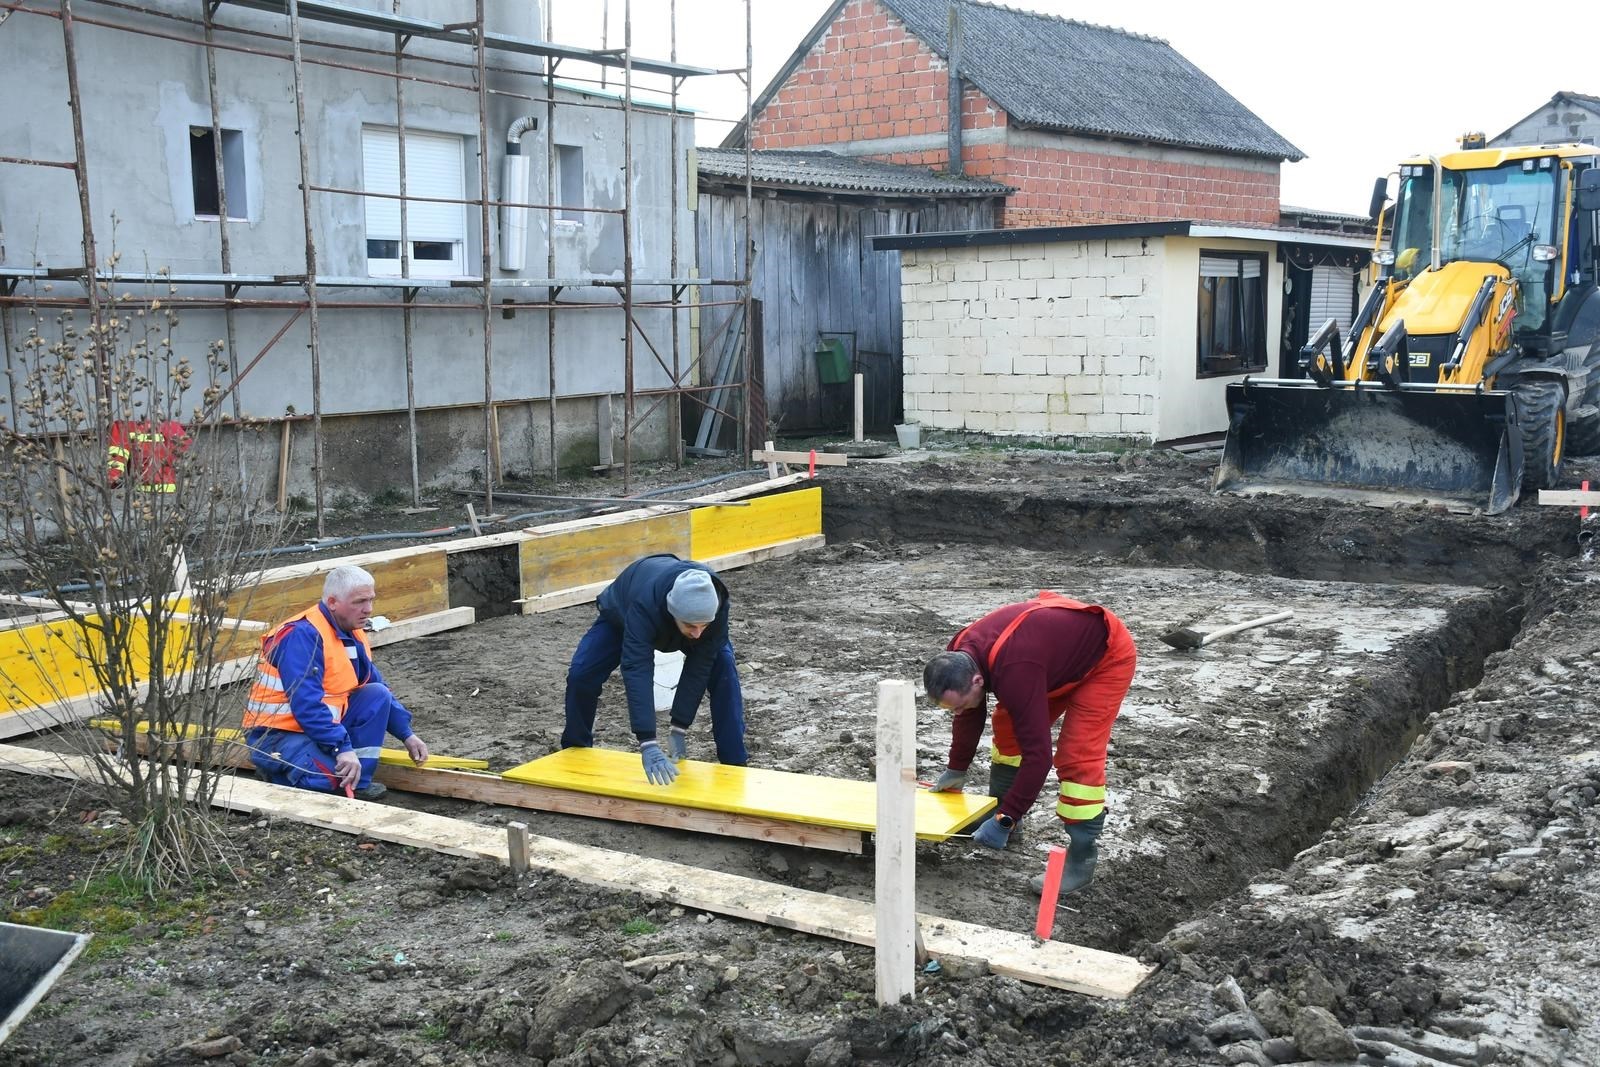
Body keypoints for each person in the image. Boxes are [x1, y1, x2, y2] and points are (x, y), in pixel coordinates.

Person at [923, 591, 1136, 895]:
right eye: (948, 708)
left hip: (1103, 659)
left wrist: (1006, 819)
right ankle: (1002, 815)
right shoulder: (957, 655)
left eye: (957, 704)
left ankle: (1080, 860)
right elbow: (969, 711)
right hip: (1050, 657)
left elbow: (1039, 758)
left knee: (1077, 756)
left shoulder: (1016, 671)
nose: (955, 713)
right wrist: (956, 768)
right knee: (1008, 727)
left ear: (977, 681)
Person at [242, 565, 429, 800]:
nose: (368, 610)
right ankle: (276, 773)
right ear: (332, 602)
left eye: (371, 600)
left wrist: (406, 734)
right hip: (276, 735)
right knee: (327, 781)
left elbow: (375, 686)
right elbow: (306, 704)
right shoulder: (301, 636)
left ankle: (358, 782)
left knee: (377, 693)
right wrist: (342, 748)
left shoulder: (352, 631)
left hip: (314, 728)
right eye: (359, 602)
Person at [562, 553, 747, 786]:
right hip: (623, 612)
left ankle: (735, 761)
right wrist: (647, 742)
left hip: (681, 616)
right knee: (582, 673)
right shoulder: (644, 605)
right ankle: (574, 752)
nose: (699, 633)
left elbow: (699, 667)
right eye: (691, 625)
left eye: (704, 626)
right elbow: (637, 668)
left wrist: (679, 726)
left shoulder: (715, 604)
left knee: (725, 670)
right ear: (673, 612)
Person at [107, 417, 190, 493]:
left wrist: (112, 480)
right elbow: (184, 450)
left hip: (142, 491)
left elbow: (116, 459)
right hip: (171, 490)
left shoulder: (124, 427)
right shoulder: (173, 426)